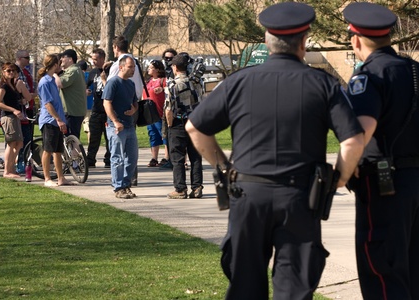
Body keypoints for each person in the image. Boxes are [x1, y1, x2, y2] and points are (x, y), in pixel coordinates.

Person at [186, 2, 365, 299]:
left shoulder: (239, 81)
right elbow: (353, 141)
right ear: (304, 42)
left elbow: (195, 128)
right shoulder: (323, 84)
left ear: (267, 41)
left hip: (247, 196)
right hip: (300, 197)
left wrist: (223, 165)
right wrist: (341, 178)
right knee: (294, 288)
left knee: (245, 285)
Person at [342, 3, 419, 299]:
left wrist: (342, 173)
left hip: (383, 186)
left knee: (382, 271)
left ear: (355, 39)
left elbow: (362, 130)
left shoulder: (368, 77)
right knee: (414, 272)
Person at [165, 54, 203, 199]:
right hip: (196, 122)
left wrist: (170, 125)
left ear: (175, 67)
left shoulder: (173, 85)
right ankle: (197, 187)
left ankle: (180, 189)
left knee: (178, 158)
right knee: (195, 157)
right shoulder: (197, 81)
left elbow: (169, 109)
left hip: (179, 123)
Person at [103, 56, 139, 199]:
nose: (133, 70)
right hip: (116, 127)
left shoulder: (130, 84)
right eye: (130, 67)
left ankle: (126, 185)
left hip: (130, 125)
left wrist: (134, 110)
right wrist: (116, 121)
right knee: (117, 158)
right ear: (121, 67)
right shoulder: (113, 82)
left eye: (134, 67)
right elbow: (107, 103)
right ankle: (118, 187)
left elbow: (135, 102)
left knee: (132, 158)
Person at [37, 54, 74, 187]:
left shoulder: (52, 80)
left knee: (58, 150)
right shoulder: (45, 82)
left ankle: (61, 178)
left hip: (57, 120)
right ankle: (47, 178)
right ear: (55, 65)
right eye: (59, 63)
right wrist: (58, 119)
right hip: (49, 120)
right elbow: (47, 104)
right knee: (48, 149)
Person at [0, 63, 27, 178]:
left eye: (13, 71)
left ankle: (11, 168)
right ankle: (7, 171)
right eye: (8, 71)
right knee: (11, 143)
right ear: (3, 72)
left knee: (19, 143)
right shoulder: (3, 86)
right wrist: (13, 110)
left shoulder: (12, 84)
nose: (11, 73)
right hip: (8, 117)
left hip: (15, 117)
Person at [86, 48, 111, 168]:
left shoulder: (110, 70)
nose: (93, 61)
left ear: (102, 58)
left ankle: (109, 159)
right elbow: (87, 85)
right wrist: (86, 90)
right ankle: (90, 159)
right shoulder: (93, 72)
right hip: (96, 110)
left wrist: (104, 79)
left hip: (108, 110)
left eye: (95, 59)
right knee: (94, 137)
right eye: (92, 59)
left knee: (109, 138)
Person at [54, 49, 87, 139]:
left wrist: (53, 73)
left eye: (63, 57)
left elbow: (60, 83)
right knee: (71, 139)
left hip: (72, 112)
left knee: (71, 139)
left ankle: (74, 153)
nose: (61, 60)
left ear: (70, 59)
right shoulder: (74, 70)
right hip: (74, 111)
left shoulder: (73, 70)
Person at [144, 59, 169, 167]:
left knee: (164, 135)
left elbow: (169, 92)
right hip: (149, 115)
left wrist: (163, 90)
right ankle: (154, 158)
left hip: (160, 113)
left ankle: (167, 157)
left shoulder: (163, 81)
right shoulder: (148, 82)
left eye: (151, 68)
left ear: (158, 70)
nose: (149, 69)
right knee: (153, 135)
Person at [15, 49, 36, 173]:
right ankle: (18, 164)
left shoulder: (26, 71)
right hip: (20, 110)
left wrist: (31, 96)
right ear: (19, 58)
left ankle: (26, 162)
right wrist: (26, 97)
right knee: (18, 140)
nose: (28, 60)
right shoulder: (16, 71)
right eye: (26, 58)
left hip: (28, 108)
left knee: (28, 138)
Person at [77, 59, 94, 137]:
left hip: (78, 105)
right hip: (89, 105)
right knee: (88, 128)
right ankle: (89, 147)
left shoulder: (77, 76)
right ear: (86, 67)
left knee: (76, 128)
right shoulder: (91, 76)